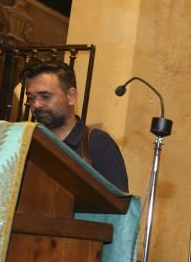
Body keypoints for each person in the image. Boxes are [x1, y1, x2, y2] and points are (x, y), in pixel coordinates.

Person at [21, 60, 129, 191]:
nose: (36, 104)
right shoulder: (29, 143)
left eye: (45, 96)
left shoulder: (97, 143)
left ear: (71, 96)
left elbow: (119, 206)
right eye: (31, 98)